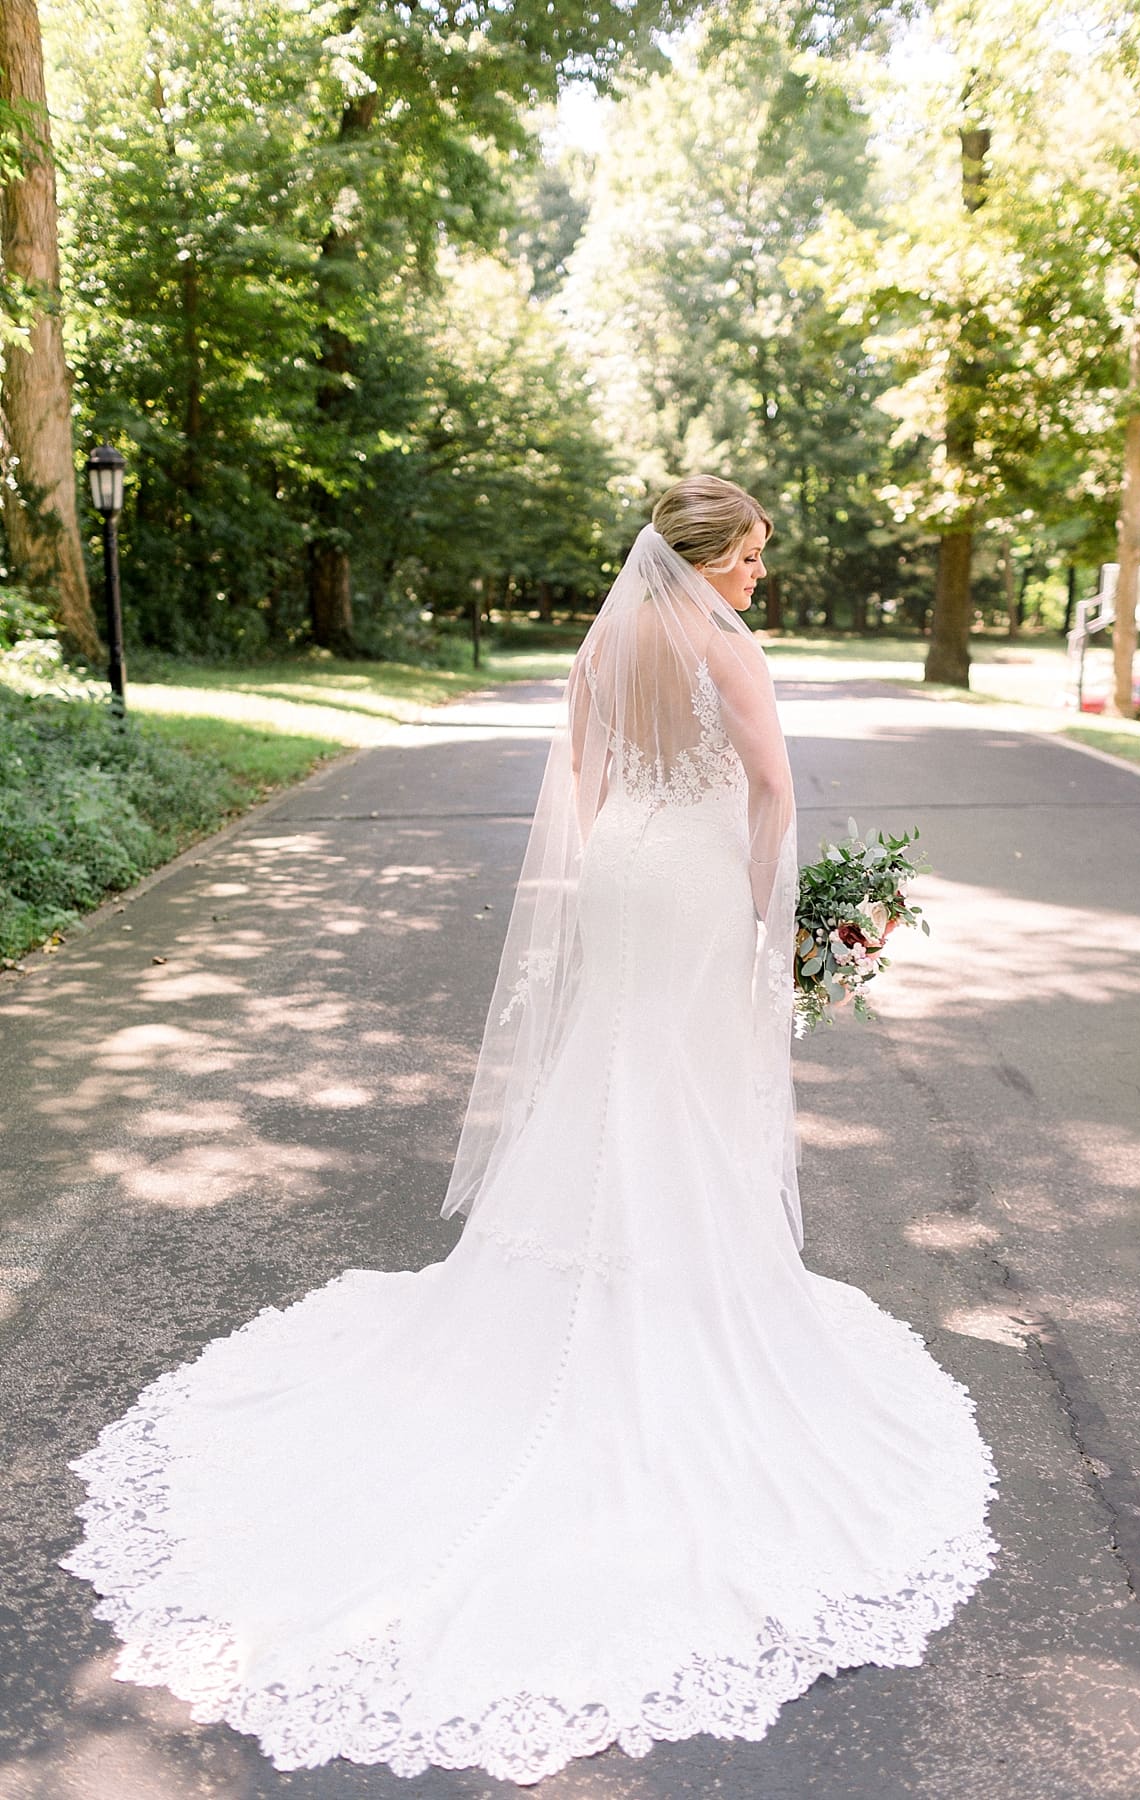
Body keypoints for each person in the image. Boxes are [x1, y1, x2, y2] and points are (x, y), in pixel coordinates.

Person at [62, 475, 997, 1788]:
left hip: (621, 867)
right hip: (685, 881)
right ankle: (666, 1293)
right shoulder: (726, 646)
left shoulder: (611, 637)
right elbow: (776, 790)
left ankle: (599, 1266)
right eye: (750, 555)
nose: (758, 577)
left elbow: (583, 771)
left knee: (616, 1074)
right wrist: (764, 923)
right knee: (676, 1083)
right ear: (711, 555)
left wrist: (655, 836)